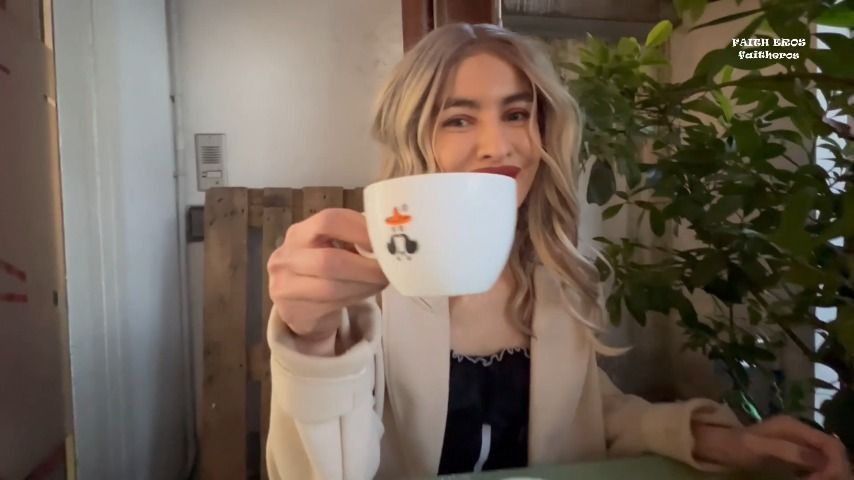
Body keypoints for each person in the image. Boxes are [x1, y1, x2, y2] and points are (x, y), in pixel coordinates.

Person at [264, 23, 851, 480]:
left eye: (517, 114)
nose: (500, 145)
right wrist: (312, 346)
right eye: (458, 119)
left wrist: (727, 440)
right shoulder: (362, 292)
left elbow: (589, 418)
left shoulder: (557, 273)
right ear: (413, 135)